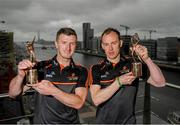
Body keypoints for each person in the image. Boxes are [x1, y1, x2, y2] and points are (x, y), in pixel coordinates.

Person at [8, 27, 88, 124]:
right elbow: (12, 93)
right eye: (64, 43)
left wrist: (53, 91)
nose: (68, 48)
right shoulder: (41, 67)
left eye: (72, 43)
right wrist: (20, 76)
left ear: (76, 45)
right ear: (56, 44)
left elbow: (79, 103)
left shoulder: (81, 71)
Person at [89, 27, 166, 124]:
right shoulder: (96, 68)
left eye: (114, 43)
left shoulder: (132, 64)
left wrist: (146, 59)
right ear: (102, 46)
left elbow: (160, 82)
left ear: (120, 43)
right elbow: (96, 100)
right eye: (106, 44)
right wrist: (119, 82)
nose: (110, 48)